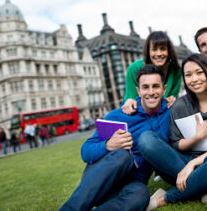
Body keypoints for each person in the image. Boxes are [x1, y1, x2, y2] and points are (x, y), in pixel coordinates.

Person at [60, 65, 171, 211]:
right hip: (101, 180)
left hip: (129, 187)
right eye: (145, 87)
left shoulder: (171, 112)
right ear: (138, 90)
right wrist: (107, 145)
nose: (151, 92)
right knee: (122, 155)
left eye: (155, 86)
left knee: (141, 194)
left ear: (164, 88)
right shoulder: (118, 116)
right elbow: (85, 151)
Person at [138, 54, 207, 210]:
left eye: (199, 72)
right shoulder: (180, 105)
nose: (194, 79)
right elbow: (176, 144)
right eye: (188, 75)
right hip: (180, 165)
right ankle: (203, 187)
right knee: (146, 139)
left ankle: (164, 198)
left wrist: (193, 165)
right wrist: (197, 137)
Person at [122, 31, 182, 114]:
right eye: (154, 49)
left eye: (163, 49)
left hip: (163, 112)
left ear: (169, 51)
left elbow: (172, 98)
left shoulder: (176, 71)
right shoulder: (133, 69)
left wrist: (172, 99)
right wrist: (130, 101)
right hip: (139, 112)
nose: (159, 54)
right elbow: (131, 99)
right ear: (148, 52)